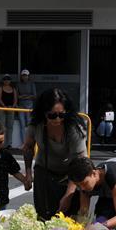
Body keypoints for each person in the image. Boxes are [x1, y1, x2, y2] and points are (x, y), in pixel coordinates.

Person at [21, 87, 88, 220]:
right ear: (43, 112)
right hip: (44, 172)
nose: (57, 119)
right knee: (44, 216)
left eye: (61, 115)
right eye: (52, 115)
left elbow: (79, 164)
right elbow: (28, 147)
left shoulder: (74, 128)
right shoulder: (36, 124)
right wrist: (28, 173)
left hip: (71, 175)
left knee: (68, 218)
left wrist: (68, 195)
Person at [0, 74, 18, 148]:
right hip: (1, 108)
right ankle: (2, 143)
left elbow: (15, 99)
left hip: (10, 108)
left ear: (10, 81)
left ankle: (9, 144)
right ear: (3, 80)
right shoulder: (0, 88)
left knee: (10, 127)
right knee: (2, 126)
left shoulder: (13, 89)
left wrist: (13, 106)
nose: (6, 81)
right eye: (5, 79)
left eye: (8, 79)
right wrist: (4, 106)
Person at [16, 69, 37, 138]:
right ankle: (23, 144)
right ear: (21, 76)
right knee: (22, 125)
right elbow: (17, 96)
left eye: (26, 75)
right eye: (23, 75)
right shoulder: (18, 84)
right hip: (21, 106)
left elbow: (34, 96)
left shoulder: (32, 84)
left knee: (29, 124)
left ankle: (29, 144)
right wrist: (28, 96)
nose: (25, 77)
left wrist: (23, 96)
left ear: (28, 76)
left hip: (29, 106)